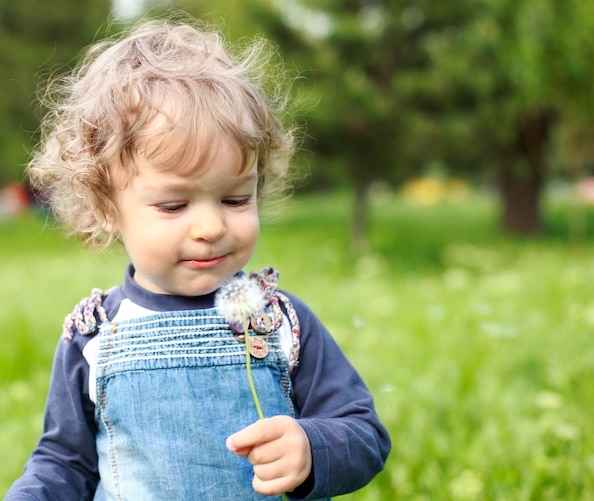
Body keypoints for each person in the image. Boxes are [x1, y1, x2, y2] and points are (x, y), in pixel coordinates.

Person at [5, 16, 390, 501]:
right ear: (106, 208)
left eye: (234, 199)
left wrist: (312, 448)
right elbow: (64, 462)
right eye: (173, 205)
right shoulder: (92, 334)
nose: (211, 228)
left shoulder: (280, 323)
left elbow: (364, 433)